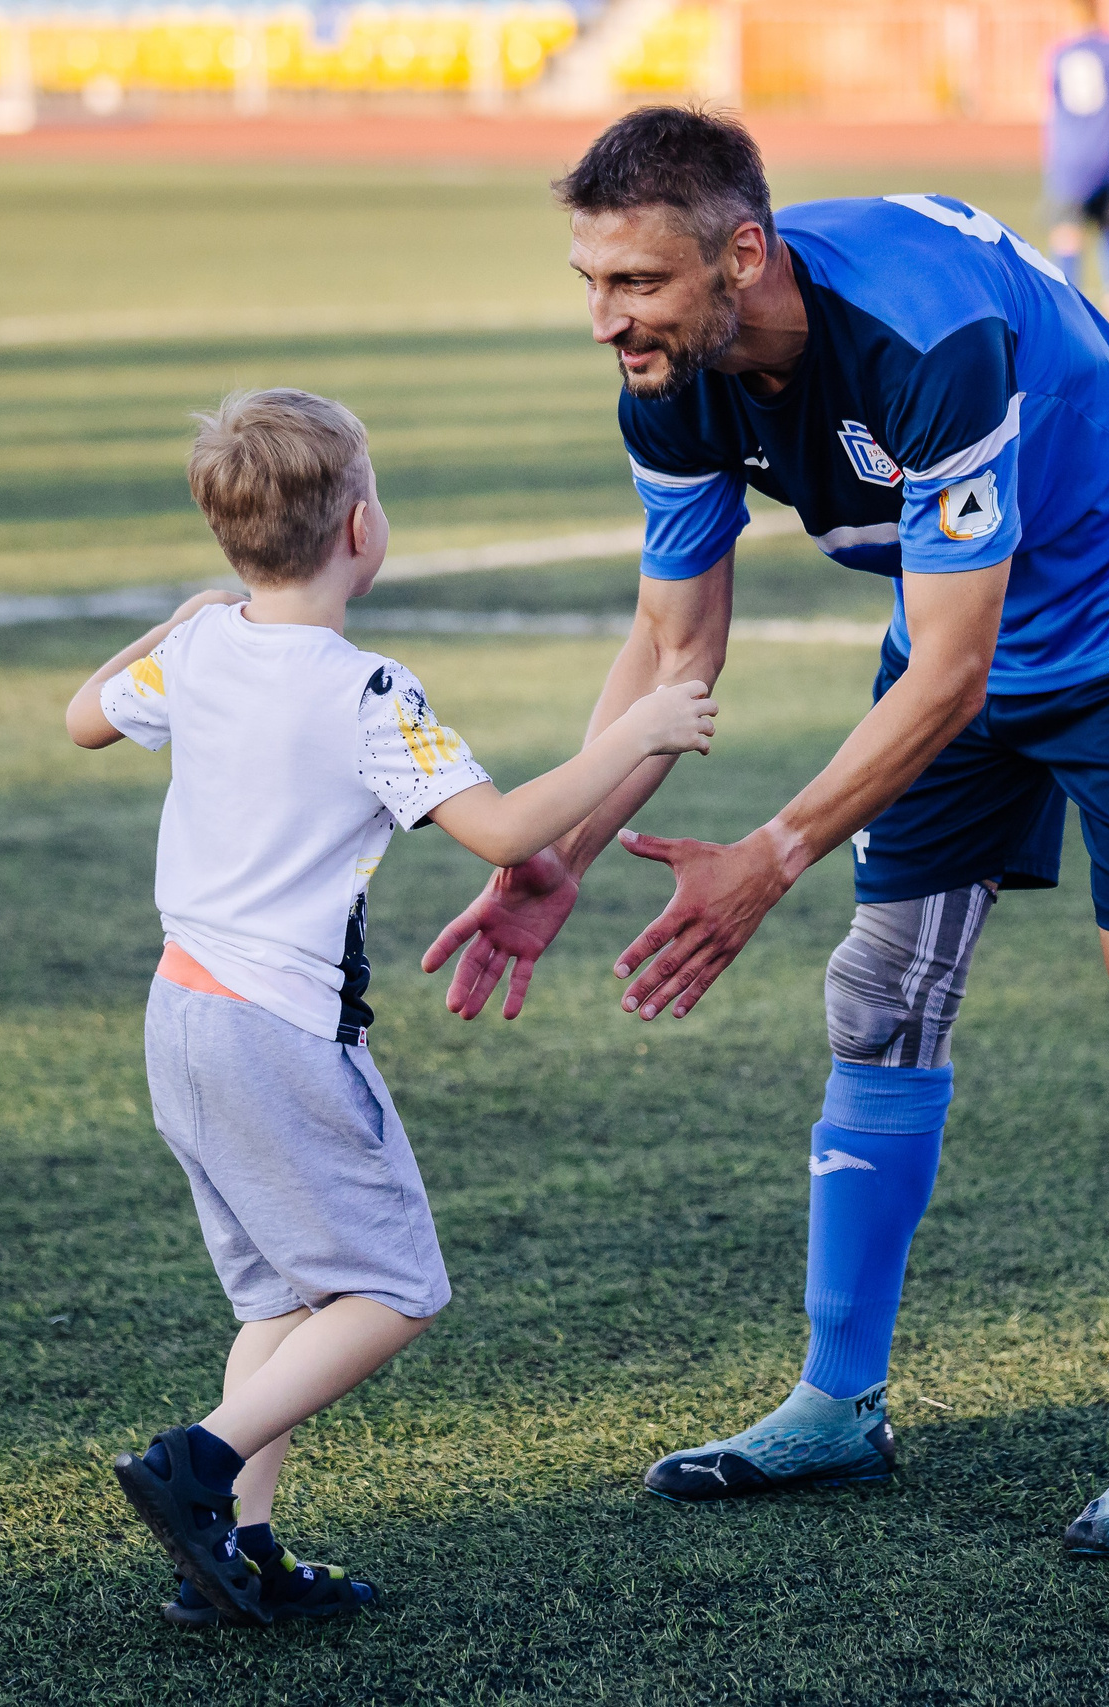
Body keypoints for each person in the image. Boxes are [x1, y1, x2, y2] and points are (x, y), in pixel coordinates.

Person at [425, 108, 1109, 1555]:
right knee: (878, 994)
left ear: (742, 255)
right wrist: (558, 846)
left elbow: (950, 671)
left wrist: (771, 851)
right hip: (958, 638)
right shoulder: (670, 382)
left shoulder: (923, 336)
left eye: (634, 283)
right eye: (589, 281)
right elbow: (671, 646)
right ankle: (838, 1400)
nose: (603, 320)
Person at [70, 388, 717, 1626]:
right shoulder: (367, 691)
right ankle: (193, 1465)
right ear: (362, 528)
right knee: (396, 1290)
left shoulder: (198, 648)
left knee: (280, 1302)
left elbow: (81, 719)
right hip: (278, 1031)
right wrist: (641, 729)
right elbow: (504, 829)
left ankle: (235, 1559)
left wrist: (173, 620)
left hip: (181, 1021)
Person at [1044, 0, 1109, 331]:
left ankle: (1065, 301)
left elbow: (1052, 107)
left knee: (1067, 231)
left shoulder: (1059, 53)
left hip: (1071, 157)